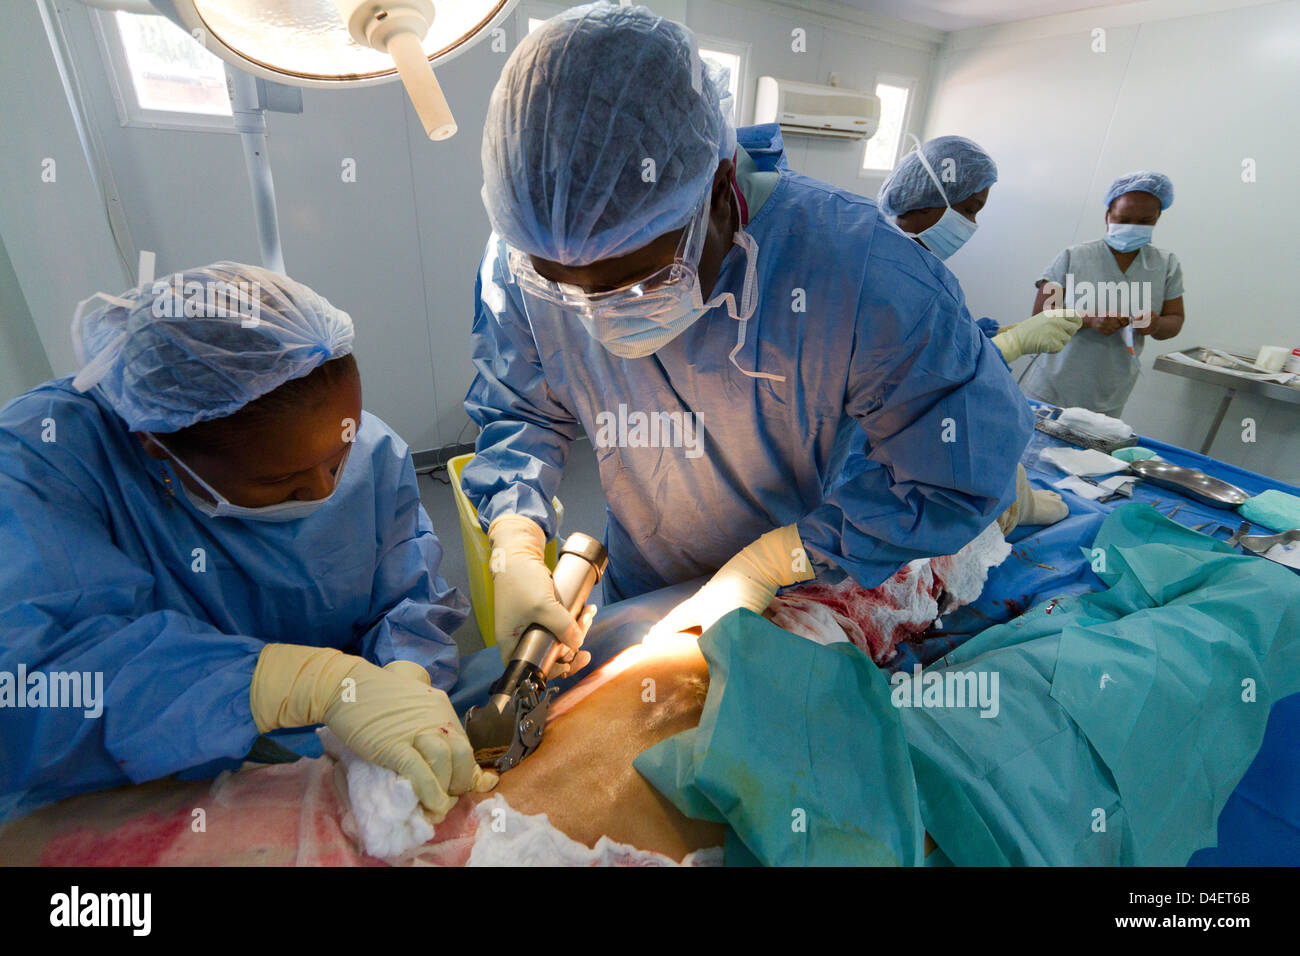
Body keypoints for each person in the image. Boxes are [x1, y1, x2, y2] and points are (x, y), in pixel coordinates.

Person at [462, 2, 1034, 658]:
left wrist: (773, 563)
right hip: (641, 581)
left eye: (645, 279)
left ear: (721, 185)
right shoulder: (526, 253)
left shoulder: (861, 272)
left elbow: (954, 469)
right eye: (565, 292)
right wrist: (515, 540)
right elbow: (522, 411)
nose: (600, 317)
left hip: (796, 594)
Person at [0, 262, 493, 823]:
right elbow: (30, 686)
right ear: (157, 442)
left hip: (342, 745)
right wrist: (286, 685)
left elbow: (407, 598)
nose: (326, 489)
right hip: (136, 784)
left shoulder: (365, 451)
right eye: (282, 483)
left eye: (339, 459)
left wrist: (406, 677)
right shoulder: (41, 467)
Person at [878, 134, 1082, 366]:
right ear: (924, 200)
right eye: (968, 210)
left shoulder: (922, 271)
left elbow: (933, 341)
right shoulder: (883, 274)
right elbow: (914, 377)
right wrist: (1011, 344)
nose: (972, 223)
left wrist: (986, 336)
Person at [1020, 170, 1185, 417]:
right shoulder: (1073, 257)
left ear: (1157, 218)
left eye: (1144, 221)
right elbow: (1041, 315)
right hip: (1052, 388)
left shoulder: (1165, 265)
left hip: (1109, 395)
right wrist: (1088, 320)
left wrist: (1156, 323)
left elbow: (1175, 320)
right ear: (1108, 216)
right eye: (1123, 218)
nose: (1132, 227)